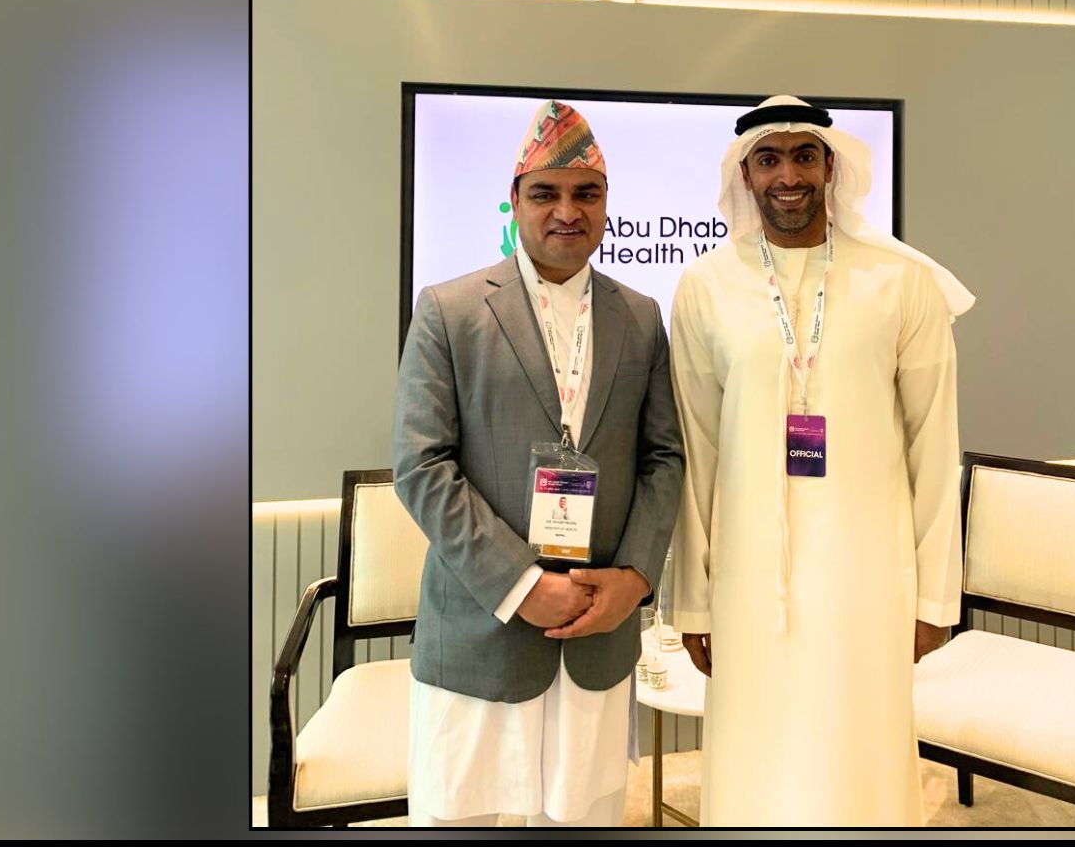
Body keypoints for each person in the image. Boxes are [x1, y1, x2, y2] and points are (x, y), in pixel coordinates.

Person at [667, 94, 975, 826]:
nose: (788, 176)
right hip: (747, 582)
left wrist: (936, 599)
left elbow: (935, 446)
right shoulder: (706, 286)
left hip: (868, 578)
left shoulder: (900, 281)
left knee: (859, 758)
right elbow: (695, 451)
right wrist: (693, 599)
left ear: (831, 167)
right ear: (745, 174)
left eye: (805, 156)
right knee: (755, 760)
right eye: (769, 159)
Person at [393, 99, 685, 827]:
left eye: (587, 193)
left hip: (597, 629)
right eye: (546, 192)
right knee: (463, 817)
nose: (567, 211)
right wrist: (521, 584)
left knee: (583, 817)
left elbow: (663, 458)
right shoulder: (450, 310)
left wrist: (634, 579)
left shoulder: (640, 316)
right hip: (482, 632)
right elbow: (422, 466)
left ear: (606, 203)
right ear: (515, 198)